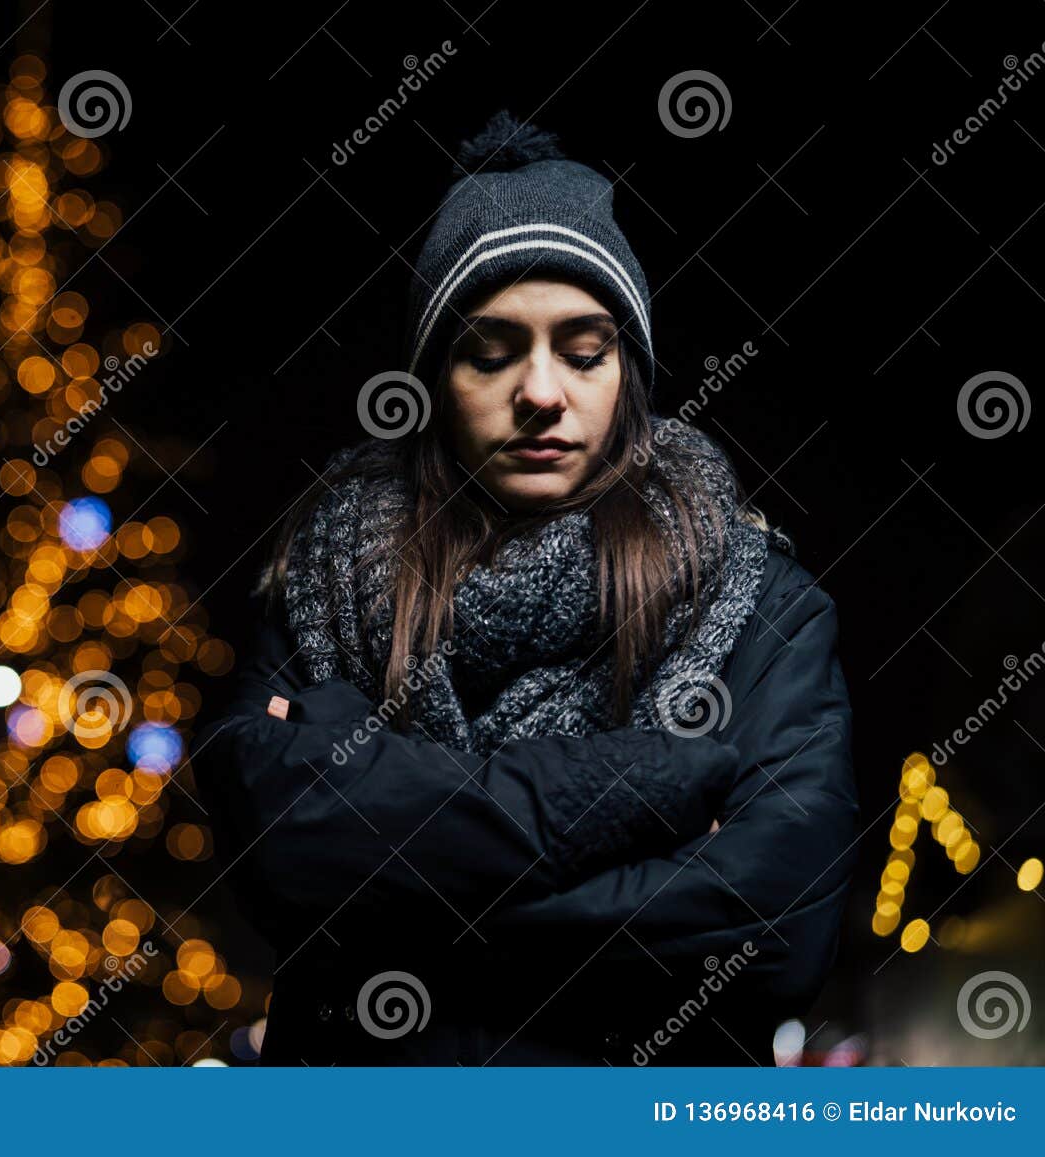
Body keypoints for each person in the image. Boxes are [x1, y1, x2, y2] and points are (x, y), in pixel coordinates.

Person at [193, 112, 860, 1065]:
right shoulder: (320, 584)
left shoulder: (759, 606)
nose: (542, 391)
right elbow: (276, 856)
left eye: (584, 349)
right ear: (434, 379)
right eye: (491, 350)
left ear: (627, 373)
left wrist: (391, 881)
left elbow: (773, 933)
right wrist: (640, 787)